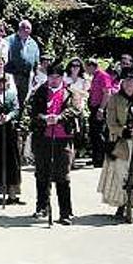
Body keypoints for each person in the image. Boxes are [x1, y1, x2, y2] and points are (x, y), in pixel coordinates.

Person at [97, 68, 133, 224]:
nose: (129, 84)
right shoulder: (114, 99)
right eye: (126, 82)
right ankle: (123, 204)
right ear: (122, 83)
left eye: (132, 81)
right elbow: (110, 123)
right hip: (122, 143)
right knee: (122, 174)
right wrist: (126, 131)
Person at [29, 62, 82, 225]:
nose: (54, 80)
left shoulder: (70, 92)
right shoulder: (40, 92)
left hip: (63, 137)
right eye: (51, 77)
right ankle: (42, 206)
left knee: (63, 175)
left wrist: (60, 117)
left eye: (57, 77)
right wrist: (44, 118)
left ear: (62, 77)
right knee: (42, 172)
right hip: (43, 137)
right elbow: (33, 112)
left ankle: (66, 211)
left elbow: (76, 109)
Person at [0, 76, 23, 205]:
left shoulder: (11, 96)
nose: (1, 85)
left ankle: (12, 194)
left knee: (12, 162)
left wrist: (8, 117)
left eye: (3, 83)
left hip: (10, 132)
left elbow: (16, 109)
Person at [85, 58, 114, 168]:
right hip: (93, 107)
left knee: (99, 133)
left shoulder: (103, 75)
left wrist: (101, 109)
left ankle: (101, 158)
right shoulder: (95, 77)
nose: (86, 70)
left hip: (100, 108)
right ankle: (95, 157)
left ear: (92, 66)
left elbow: (107, 93)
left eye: (87, 67)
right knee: (93, 133)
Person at [5, 20, 40, 102]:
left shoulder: (33, 43)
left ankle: (20, 114)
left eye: (28, 28)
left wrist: (36, 75)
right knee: (10, 97)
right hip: (11, 75)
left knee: (22, 100)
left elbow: (36, 62)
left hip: (26, 77)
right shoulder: (9, 40)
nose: (26, 30)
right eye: (23, 27)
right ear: (19, 28)